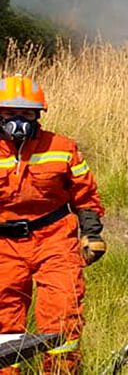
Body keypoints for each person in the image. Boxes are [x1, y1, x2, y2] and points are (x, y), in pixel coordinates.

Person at [0, 75, 106, 374]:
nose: (18, 120)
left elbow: (85, 194)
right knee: (4, 322)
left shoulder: (61, 147)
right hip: (3, 246)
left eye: (26, 113)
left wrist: (92, 234)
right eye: (9, 113)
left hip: (55, 240)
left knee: (62, 316)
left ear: (38, 115)